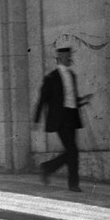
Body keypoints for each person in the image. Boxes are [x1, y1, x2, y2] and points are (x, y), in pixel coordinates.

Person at [33, 45, 91, 191]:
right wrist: (37, 119)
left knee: (72, 151)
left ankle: (50, 169)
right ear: (60, 57)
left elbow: (72, 98)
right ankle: (71, 183)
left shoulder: (72, 75)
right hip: (60, 118)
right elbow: (42, 99)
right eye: (67, 56)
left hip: (72, 116)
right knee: (72, 150)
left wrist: (82, 100)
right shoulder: (51, 78)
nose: (69, 58)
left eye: (69, 55)